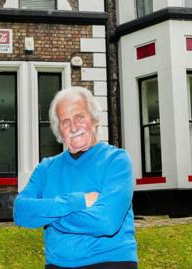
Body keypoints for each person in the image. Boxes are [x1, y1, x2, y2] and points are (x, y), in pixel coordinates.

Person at [13, 87, 138, 268]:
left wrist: (47, 215)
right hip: (57, 264)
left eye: (80, 117)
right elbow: (21, 211)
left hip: (110, 261)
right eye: (65, 121)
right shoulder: (46, 168)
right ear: (59, 130)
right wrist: (78, 201)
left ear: (94, 119)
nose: (73, 127)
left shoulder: (116, 160)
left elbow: (106, 221)